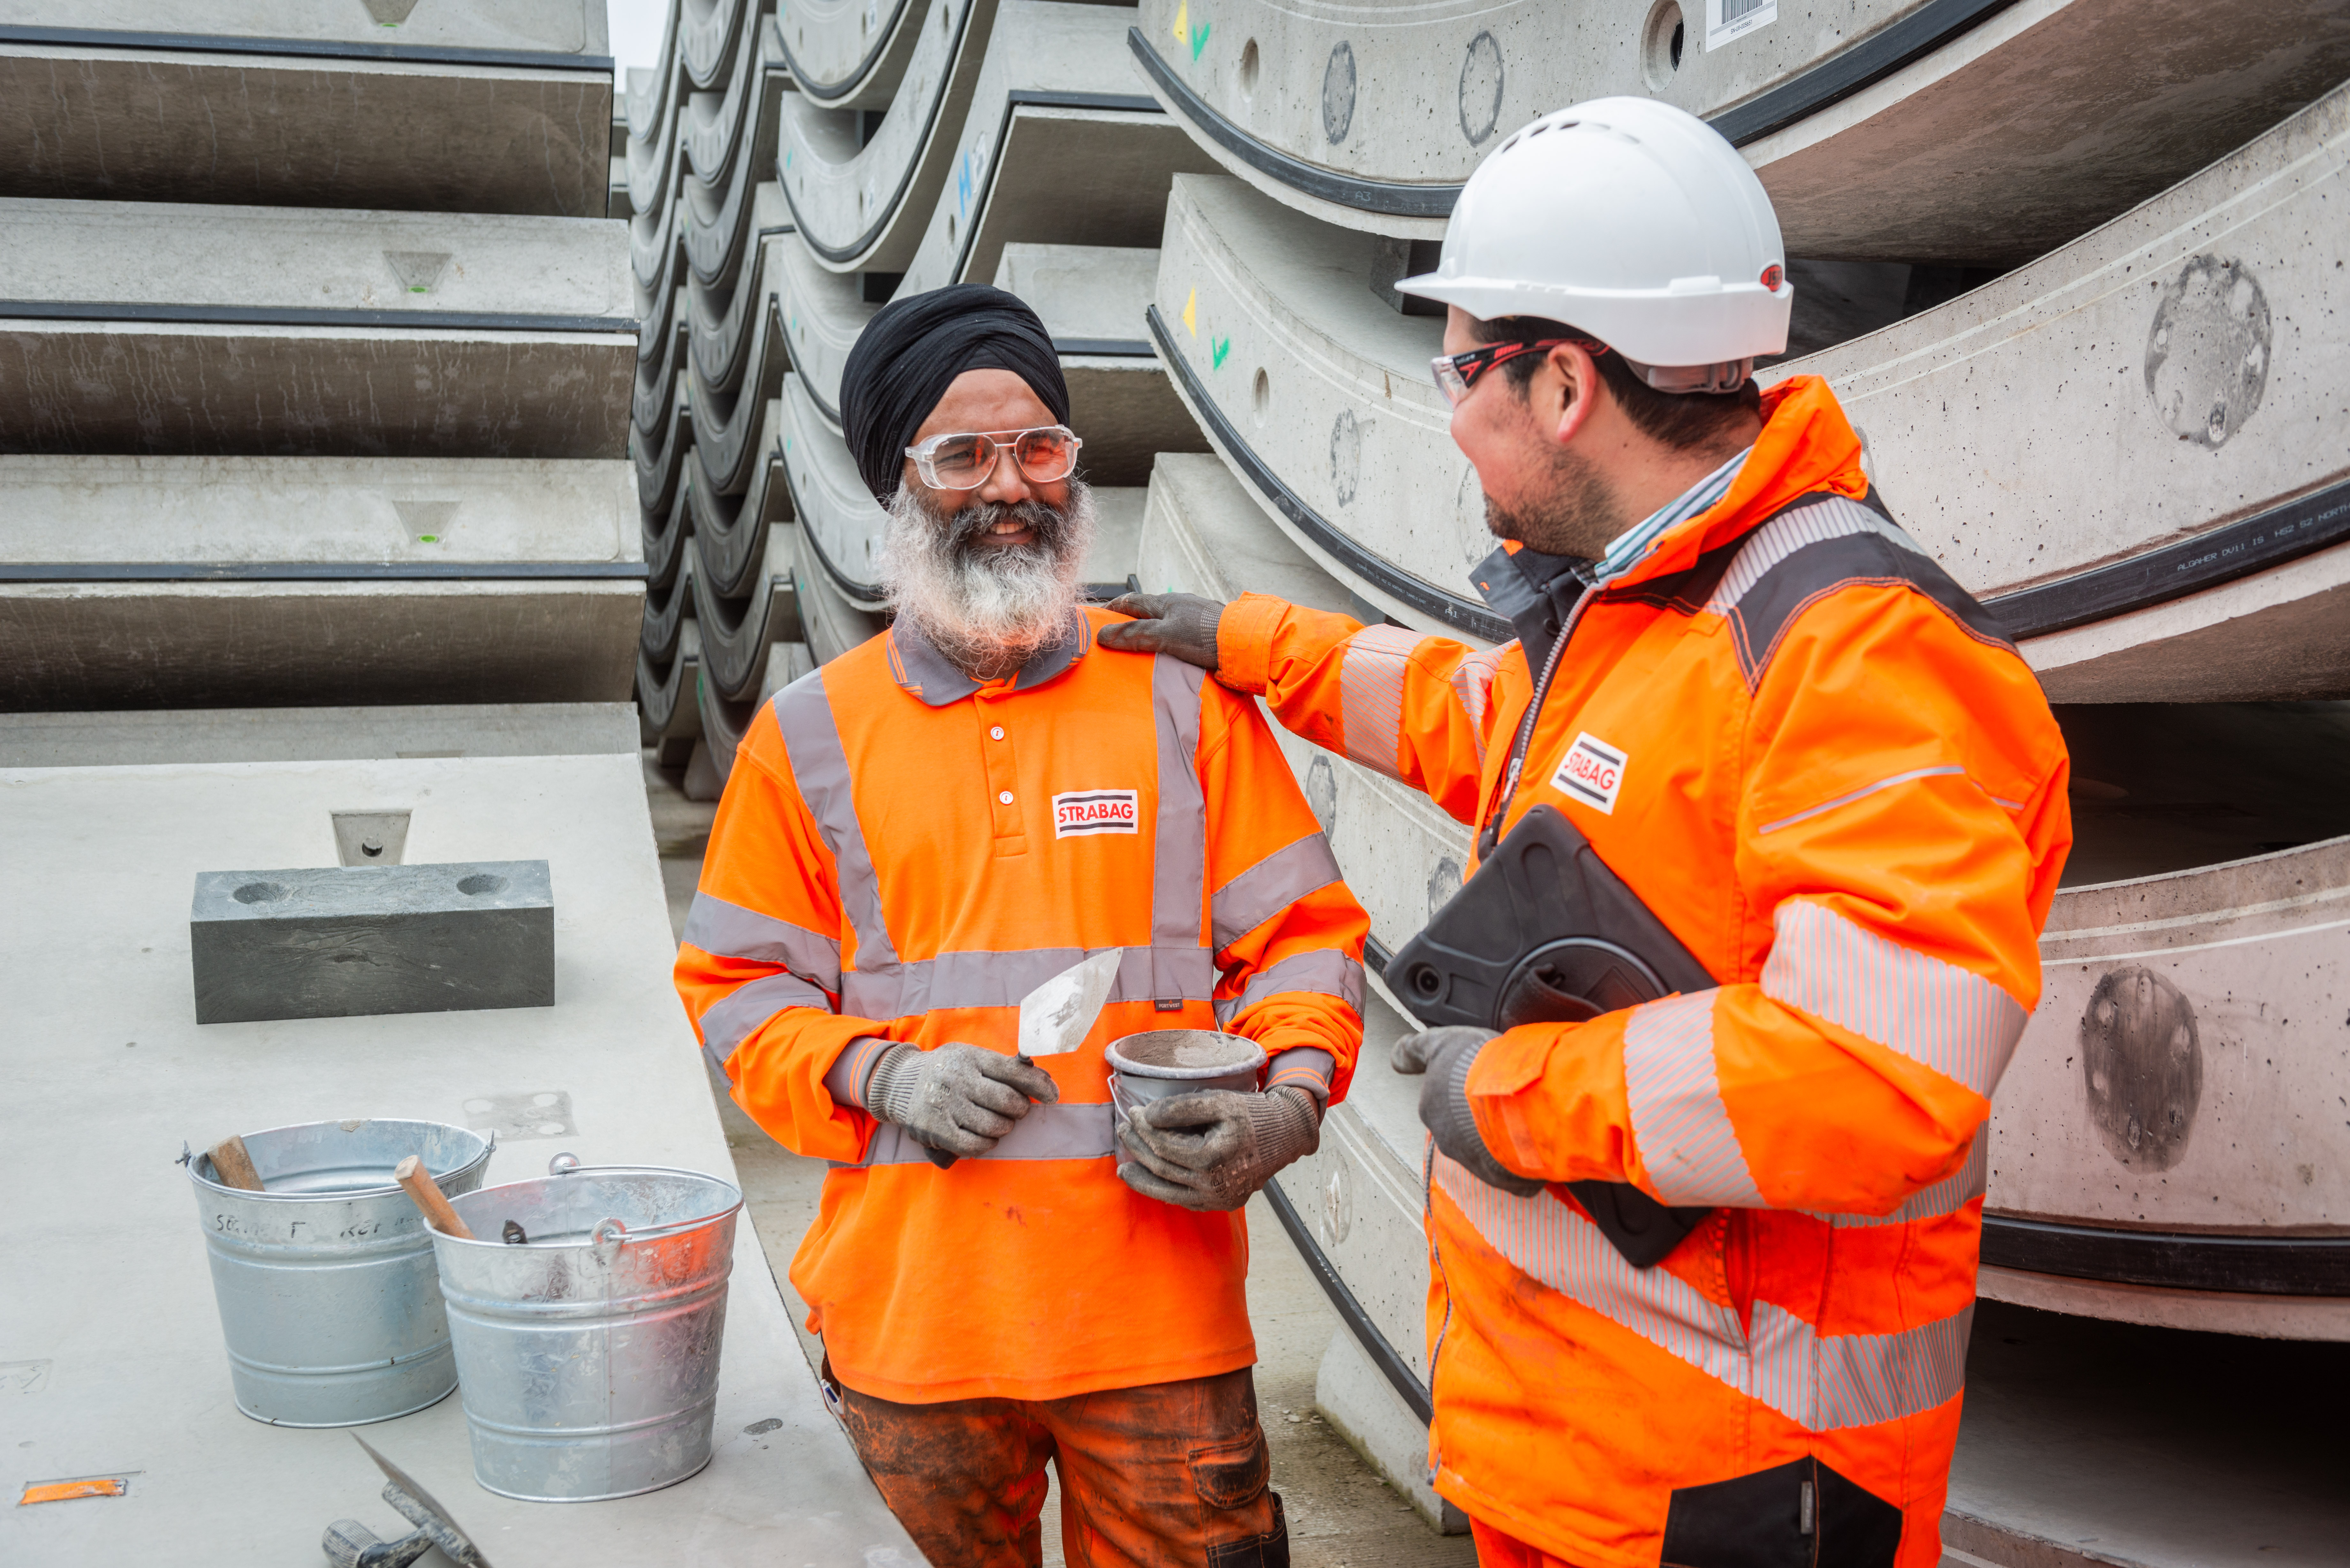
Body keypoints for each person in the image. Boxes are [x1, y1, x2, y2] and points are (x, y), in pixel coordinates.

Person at [1102, 99, 2071, 1568]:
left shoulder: (1862, 656)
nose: (1450, 414)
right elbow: (1477, 715)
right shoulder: (1655, 609)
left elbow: (1876, 1077)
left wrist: (1510, 1093)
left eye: (1459, 366)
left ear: (1560, 384)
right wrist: (1242, 637)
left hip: (1733, 1489)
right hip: (1576, 1453)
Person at [674, 283, 1368, 1567]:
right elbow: (734, 986)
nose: (1012, 486)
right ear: (898, 485)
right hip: (918, 1329)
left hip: (1159, 1329)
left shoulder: (1177, 697)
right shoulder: (810, 735)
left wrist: (1293, 1097)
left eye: (1040, 447)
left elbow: (1303, 937)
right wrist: (884, 1072)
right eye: (963, 456)